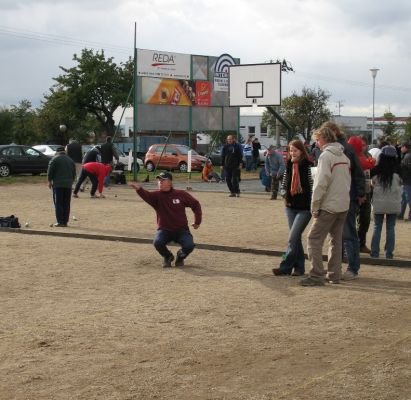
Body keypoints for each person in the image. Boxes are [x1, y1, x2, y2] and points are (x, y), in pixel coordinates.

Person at [300, 126, 351, 286]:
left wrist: (314, 206)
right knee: (336, 241)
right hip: (343, 204)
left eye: (317, 139)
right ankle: (334, 275)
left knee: (313, 239)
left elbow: (320, 184)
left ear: (324, 139)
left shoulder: (325, 157)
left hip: (329, 205)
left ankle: (316, 275)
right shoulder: (344, 156)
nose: (316, 142)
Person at [129, 172, 202, 268]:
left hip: (181, 230)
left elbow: (195, 204)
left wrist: (197, 222)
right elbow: (146, 195)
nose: (160, 182)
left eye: (163, 180)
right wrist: (139, 189)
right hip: (164, 230)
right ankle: (168, 256)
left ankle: (180, 256)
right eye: (159, 180)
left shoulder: (181, 194)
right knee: (157, 242)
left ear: (170, 182)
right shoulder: (156, 196)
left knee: (189, 245)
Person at [321, 122, 365, 281]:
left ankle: (352, 267)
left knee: (347, 234)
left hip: (347, 196)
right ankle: (336, 268)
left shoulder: (345, 149)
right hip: (339, 196)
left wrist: (360, 193)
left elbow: (358, 172)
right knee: (336, 235)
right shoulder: (336, 149)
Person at [272, 140, 313, 276]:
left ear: (301, 151)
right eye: (290, 150)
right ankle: (299, 267)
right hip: (290, 206)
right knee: (295, 239)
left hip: (305, 208)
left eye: (295, 150)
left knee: (292, 238)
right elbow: (284, 184)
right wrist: (284, 193)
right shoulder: (288, 164)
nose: (292, 153)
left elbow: (312, 186)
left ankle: (284, 266)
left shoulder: (307, 165)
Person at [370, 146, 402, 259]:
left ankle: (374, 253)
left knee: (377, 226)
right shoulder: (399, 170)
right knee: (390, 228)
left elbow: (371, 183)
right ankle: (389, 254)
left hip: (379, 203)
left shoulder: (375, 170)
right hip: (394, 203)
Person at [347, 136, 376, 253]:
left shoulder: (368, 156)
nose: (363, 147)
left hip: (367, 190)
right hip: (354, 191)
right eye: (361, 145)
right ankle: (351, 246)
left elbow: (372, 169)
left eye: (364, 145)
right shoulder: (350, 155)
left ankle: (361, 243)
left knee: (365, 219)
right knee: (351, 219)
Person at [47, 149, 76, 227]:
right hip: (68, 185)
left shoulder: (54, 159)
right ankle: (65, 221)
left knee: (58, 203)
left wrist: (49, 181)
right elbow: (74, 173)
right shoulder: (70, 160)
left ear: (57, 152)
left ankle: (60, 221)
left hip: (58, 184)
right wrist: (71, 181)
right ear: (65, 152)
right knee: (66, 203)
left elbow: (50, 171)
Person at [399, 141, 411, 221]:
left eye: (402, 147)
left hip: (407, 181)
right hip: (406, 181)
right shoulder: (406, 155)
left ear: (405, 147)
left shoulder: (408, 156)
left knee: (408, 198)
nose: (400, 148)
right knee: (403, 198)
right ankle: (400, 214)